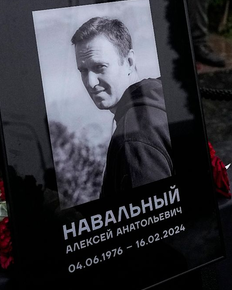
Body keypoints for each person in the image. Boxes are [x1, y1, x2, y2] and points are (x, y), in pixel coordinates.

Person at [72, 17, 173, 197]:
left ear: (129, 62)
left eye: (100, 66)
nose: (90, 82)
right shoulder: (162, 98)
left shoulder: (133, 136)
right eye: (83, 70)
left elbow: (151, 217)